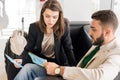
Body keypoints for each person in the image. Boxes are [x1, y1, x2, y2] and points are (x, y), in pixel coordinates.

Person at [14, 10, 120, 80]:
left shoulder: (117, 54)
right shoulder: (98, 43)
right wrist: (59, 69)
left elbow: (99, 76)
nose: (89, 33)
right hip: (68, 75)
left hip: (66, 73)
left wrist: (59, 70)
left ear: (107, 32)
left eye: (93, 29)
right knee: (28, 69)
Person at [13, 0, 77, 79]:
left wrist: (75, 70)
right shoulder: (34, 27)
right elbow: (28, 49)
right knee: (27, 68)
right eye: (47, 16)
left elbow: (68, 48)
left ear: (59, 16)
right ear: (42, 13)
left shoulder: (64, 25)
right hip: (42, 63)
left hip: (57, 65)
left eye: (54, 17)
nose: (51, 21)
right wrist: (21, 59)